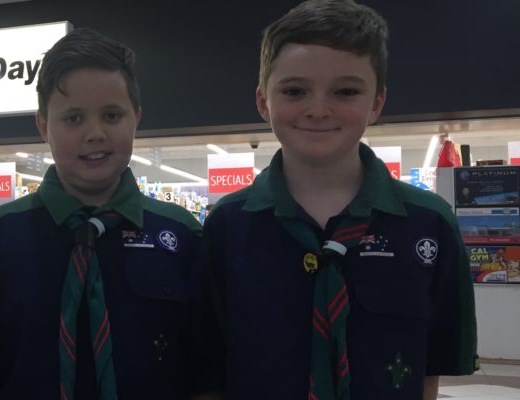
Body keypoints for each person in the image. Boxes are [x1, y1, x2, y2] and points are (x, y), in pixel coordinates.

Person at [204, 1, 478, 399]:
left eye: (346, 91)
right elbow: (210, 365)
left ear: (377, 103)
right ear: (264, 101)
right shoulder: (227, 225)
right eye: (295, 91)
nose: (319, 109)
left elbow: (428, 369)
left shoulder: (429, 224)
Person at [0, 28, 223, 400]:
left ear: (136, 118)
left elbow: (208, 374)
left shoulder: (181, 235)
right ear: (43, 126)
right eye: (73, 118)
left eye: (112, 115)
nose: (95, 133)